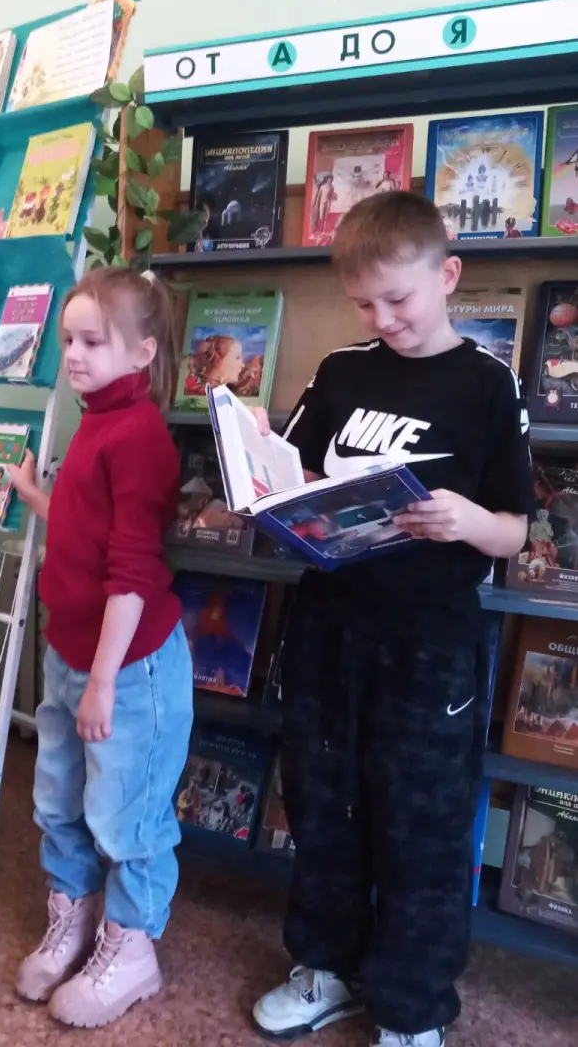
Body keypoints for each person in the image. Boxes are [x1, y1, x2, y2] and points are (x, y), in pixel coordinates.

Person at [250, 192, 533, 1047]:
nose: (383, 320)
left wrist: (464, 519)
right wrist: (257, 469)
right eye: (365, 304)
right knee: (322, 804)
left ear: (448, 276)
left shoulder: (487, 383)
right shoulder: (342, 371)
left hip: (430, 643)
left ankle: (411, 1008)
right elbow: (292, 479)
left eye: (398, 299)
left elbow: (514, 531)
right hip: (329, 626)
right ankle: (327, 967)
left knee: (422, 827)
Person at [7, 266, 193, 1029]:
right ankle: (75, 916)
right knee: (58, 798)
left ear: (142, 351)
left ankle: (133, 947)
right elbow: (92, 530)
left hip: (127, 670)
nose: (74, 355)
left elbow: (133, 569)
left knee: (127, 815)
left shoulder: (139, 436)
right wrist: (39, 500)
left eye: (92, 341)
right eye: (68, 340)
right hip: (70, 653)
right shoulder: (96, 419)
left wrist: (104, 682)